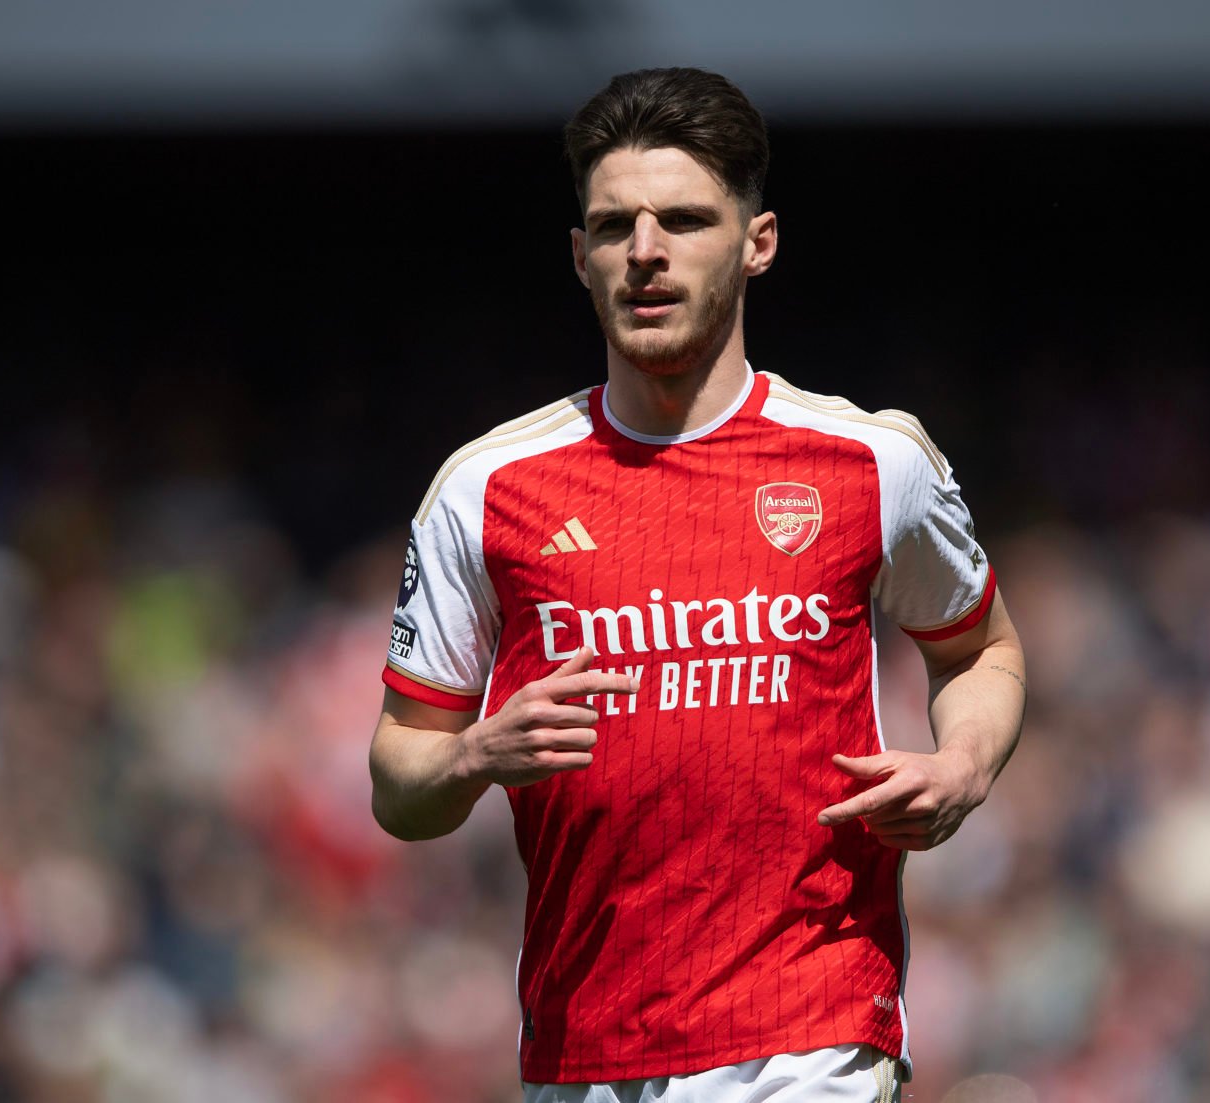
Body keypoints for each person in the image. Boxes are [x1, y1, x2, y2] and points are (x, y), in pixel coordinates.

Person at [369, 67, 1026, 1103]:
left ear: (757, 242)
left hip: (813, 1036)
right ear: (579, 257)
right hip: (586, 1051)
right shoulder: (486, 487)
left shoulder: (868, 461)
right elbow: (398, 785)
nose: (646, 252)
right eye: (614, 224)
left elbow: (980, 649)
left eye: (682, 218)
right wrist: (472, 753)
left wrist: (965, 765)